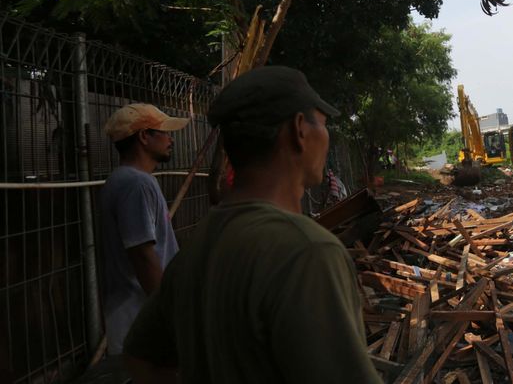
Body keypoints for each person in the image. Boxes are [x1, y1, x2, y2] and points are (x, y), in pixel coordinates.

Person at [124, 66, 382, 384]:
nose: (326, 137)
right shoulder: (308, 252)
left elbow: (141, 359)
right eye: (324, 124)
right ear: (299, 130)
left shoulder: (199, 245)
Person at [100, 103, 189, 355]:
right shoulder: (136, 184)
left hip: (133, 316)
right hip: (141, 317)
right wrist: (168, 311)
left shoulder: (123, 180)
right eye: (163, 131)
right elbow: (142, 255)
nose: (170, 138)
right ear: (143, 136)